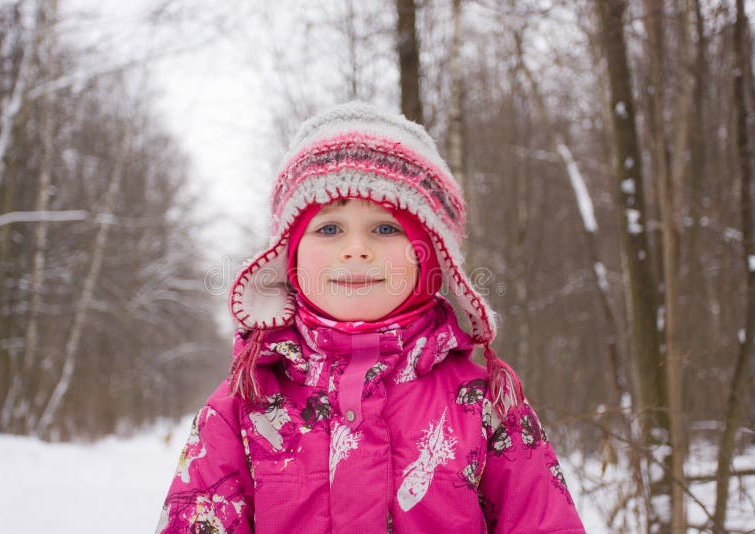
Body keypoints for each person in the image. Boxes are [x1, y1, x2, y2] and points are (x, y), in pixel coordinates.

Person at [156, 102, 586, 533]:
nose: (356, 249)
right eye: (329, 229)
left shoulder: (486, 405)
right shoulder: (243, 407)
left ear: (430, 253)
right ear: (290, 253)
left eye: (385, 228)